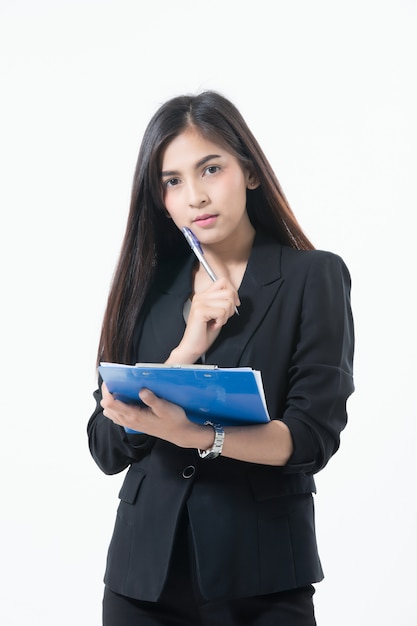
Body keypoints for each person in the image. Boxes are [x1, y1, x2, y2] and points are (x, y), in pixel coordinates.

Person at [87, 90, 354, 626]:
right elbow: (105, 445)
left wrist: (202, 437)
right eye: (173, 180)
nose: (196, 196)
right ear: (160, 197)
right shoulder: (148, 290)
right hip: (143, 583)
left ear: (249, 173)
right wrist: (185, 349)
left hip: (262, 579)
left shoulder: (312, 277)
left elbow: (311, 438)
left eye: (211, 169)